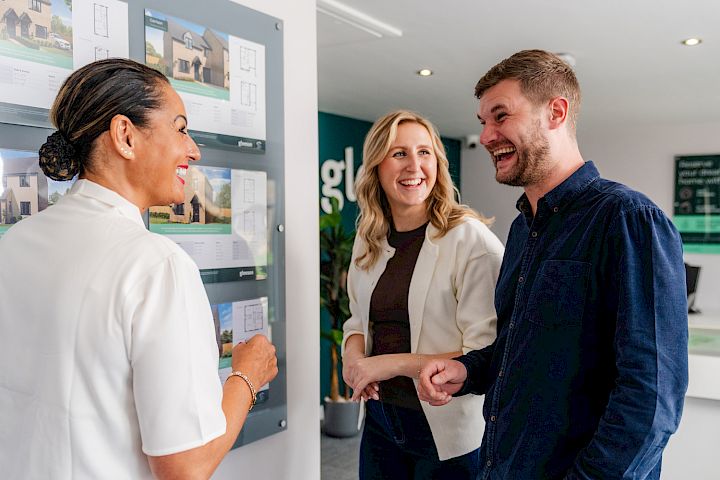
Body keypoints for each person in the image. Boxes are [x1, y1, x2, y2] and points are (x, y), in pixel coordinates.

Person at [0, 58, 277, 479]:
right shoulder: (156, 266)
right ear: (125, 136)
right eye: (181, 128)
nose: (194, 150)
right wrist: (247, 376)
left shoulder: (15, 243)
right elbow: (185, 467)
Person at [418, 49, 688, 479]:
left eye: (501, 116)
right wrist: (466, 370)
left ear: (556, 112)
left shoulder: (628, 220)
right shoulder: (522, 229)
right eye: (483, 122)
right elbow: (519, 350)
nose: (487, 136)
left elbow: (652, 400)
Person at [342, 110, 504, 479]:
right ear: (376, 168)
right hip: (382, 423)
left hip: (448, 438)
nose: (414, 165)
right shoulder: (369, 241)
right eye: (399, 153)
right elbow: (356, 320)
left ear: (438, 163)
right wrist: (354, 360)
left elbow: (486, 353)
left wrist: (384, 365)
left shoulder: (471, 241)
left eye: (424, 152)